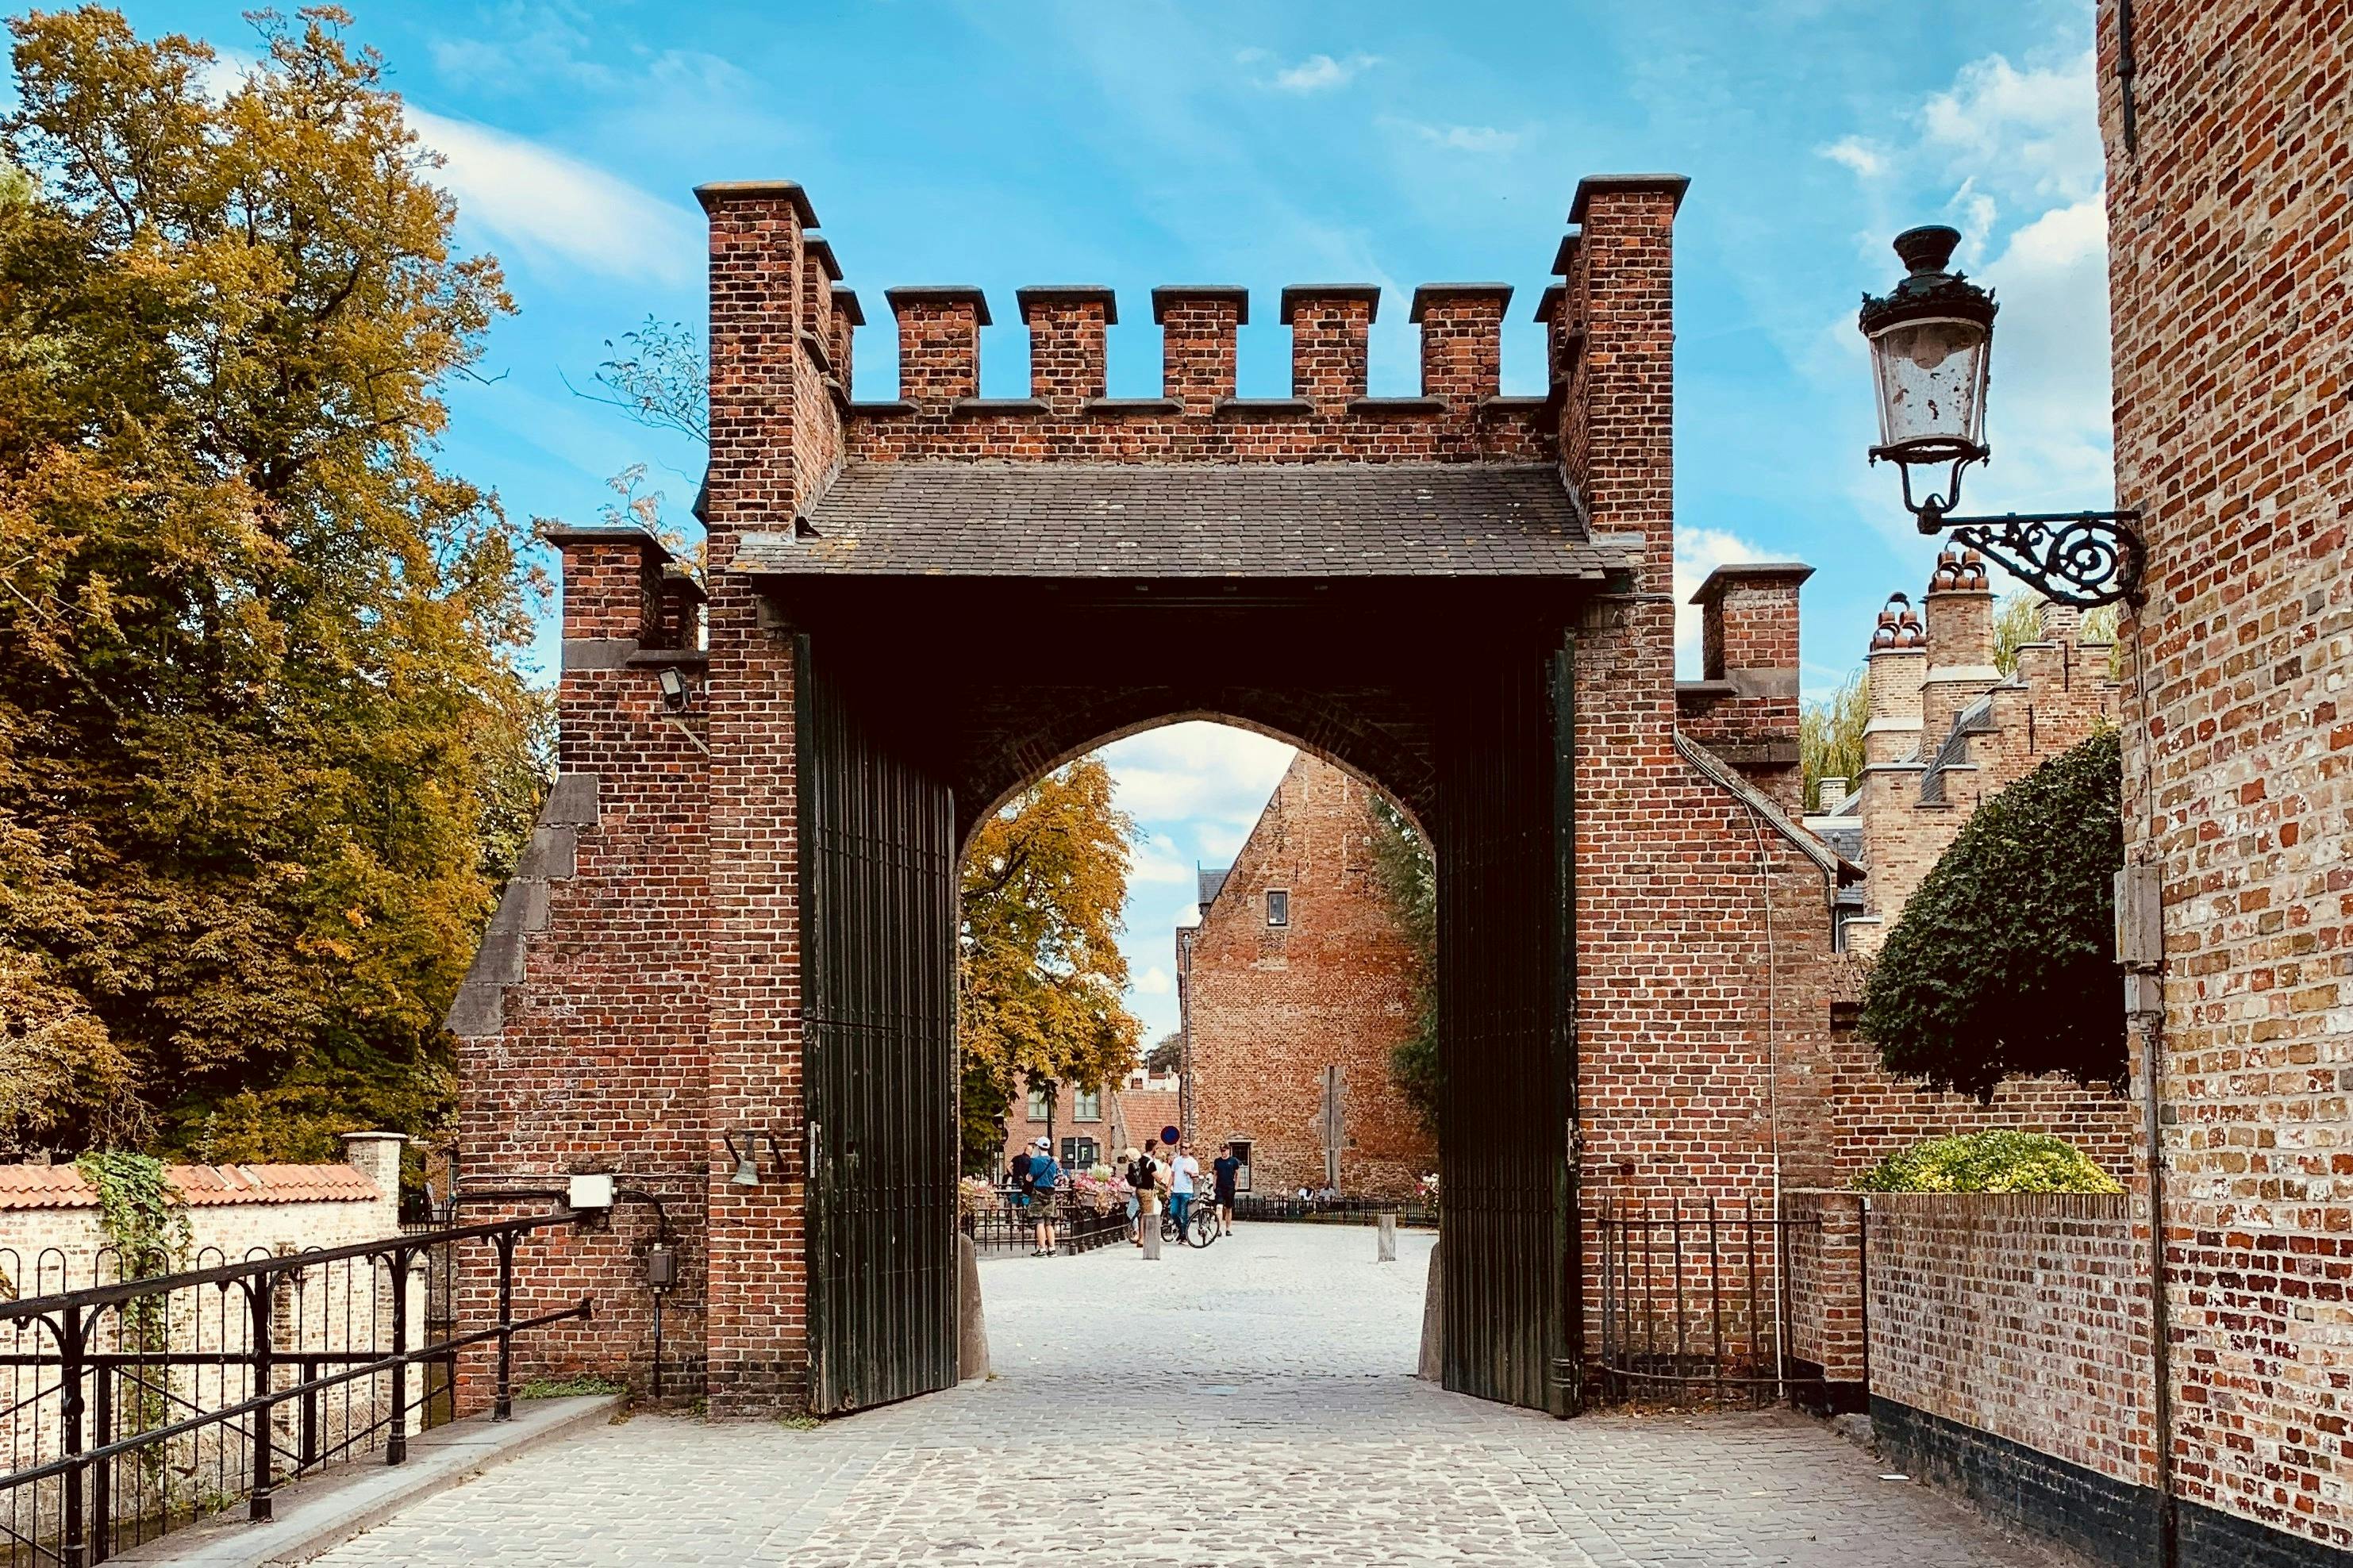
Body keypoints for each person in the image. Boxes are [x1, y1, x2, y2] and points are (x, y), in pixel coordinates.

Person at [1021, 1136, 1062, 1255]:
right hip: (1051, 1193)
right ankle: (1052, 1249)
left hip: (1038, 1192)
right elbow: (1056, 1178)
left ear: (1038, 1147)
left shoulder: (1035, 1161)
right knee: (1049, 1222)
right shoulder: (1053, 1162)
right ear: (1048, 1148)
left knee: (1039, 1221)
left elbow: (1030, 1177)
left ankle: (1042, 1249)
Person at [1166, 1139, 1200, 1244]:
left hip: (1187, 1191)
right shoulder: (1176, 1161)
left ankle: (1184, 1235)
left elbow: (1196, 1179)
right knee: (1174, 1212)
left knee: (1184, 1213)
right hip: (1176, 1190)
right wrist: (1168, 1188)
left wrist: (1190, 1173)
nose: (1183, 1149)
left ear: (1190, 1149)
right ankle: (1181, 1230)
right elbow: (1172, 1175)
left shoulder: (1193, 1162)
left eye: (1186, 1148)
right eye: (1182, 1147)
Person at [1127, 1139, 1160, 1247]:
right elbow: (1158, 1178)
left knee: (1143, 1213)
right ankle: (1142, 1239)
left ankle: (1142, 1237)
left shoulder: (1140, 1159)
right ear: (1154, 1149)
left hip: (1139, 1190)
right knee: (1147, 1215)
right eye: (1157, 1148)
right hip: (1146, 1191)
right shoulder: (1149, 1163)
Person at [1212, 1141, 1241, 1237]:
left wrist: (1236, 1185)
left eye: (1224, 1151)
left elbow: (1238, 1174)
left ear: (1228, 1150)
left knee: (1228, 1209)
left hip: (1230, 1187)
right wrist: (1214, 1185)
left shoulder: (1233, 1161)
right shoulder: (1217, 1161)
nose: (1223, 1153)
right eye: (1221, 1151)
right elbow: (1215, 1174)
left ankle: (1228, 1229)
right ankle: (1219, 1229)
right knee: (1219, 1207)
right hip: (1220, 1187)